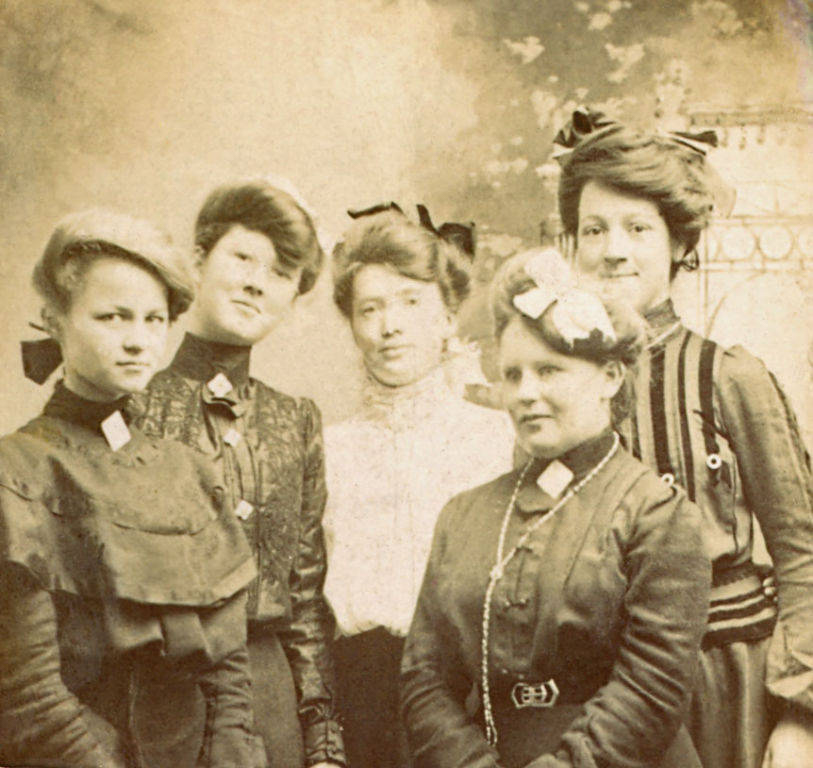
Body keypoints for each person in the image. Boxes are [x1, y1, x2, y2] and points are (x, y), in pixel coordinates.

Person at [554, 107, 813, 768]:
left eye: (637, 228)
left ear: (676, 242)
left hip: (725, 683)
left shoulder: (729, 376)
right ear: (571, 247)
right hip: (606, 690)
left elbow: (802, 553)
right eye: (594, 229)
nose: (613, 249)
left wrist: (799, 716)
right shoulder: (558, 391)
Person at [401, 250, 710, 768]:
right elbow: (424, 678)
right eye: (513, 374)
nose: (526, 393)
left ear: (611, 377)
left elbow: (652, 685)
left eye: (549, 370)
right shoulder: (464, 515)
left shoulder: (656, 513)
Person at [0, 209, 259, 768]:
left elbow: (229, 682)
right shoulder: (16, 473)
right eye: (113, 317)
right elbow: (29, 698)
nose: (139, 341)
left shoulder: (189, 471)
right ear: (55, 320)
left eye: (154, 319)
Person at [131, 180, 345, 768]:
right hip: (157, 694)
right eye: (242, 257)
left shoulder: (293, 420)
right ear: (199, 261)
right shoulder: (130, 404)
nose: (256, 282)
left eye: (279, 273)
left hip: (269, 695)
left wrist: (322, 738)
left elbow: (302, 600)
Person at [324, 204, 514, 767]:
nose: (391, 326)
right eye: (370, 309)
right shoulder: (331, 448)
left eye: (412, 302)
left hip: (471, 691)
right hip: (363, 695)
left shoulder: (495, 438)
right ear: (354, 325)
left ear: (448, 316)